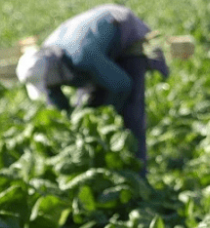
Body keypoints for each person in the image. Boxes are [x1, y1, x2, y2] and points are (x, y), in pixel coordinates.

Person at [16, 4, 170, 176]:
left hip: (124, 32)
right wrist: (69, 127)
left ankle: (139, 176)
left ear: (51, 71)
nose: (49, 87)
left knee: (131, 113)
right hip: (96, 47)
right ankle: (103, 170)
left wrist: (106, 113)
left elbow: (123, 85)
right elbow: (56, 101)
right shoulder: (47, 61)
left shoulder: (82, 56)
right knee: (87, 108)